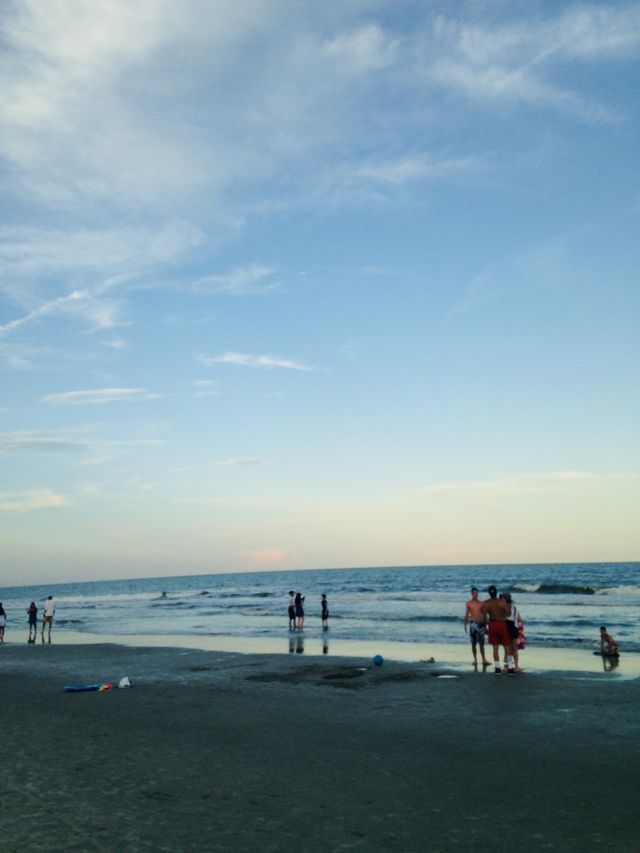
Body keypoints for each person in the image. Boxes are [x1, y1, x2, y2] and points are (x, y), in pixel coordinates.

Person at [481, 585, 514, 674]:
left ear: (489, 593)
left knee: (495, 647)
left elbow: (484, 618)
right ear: (496, 592)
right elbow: (508, 614)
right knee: (507, 645)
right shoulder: (503, 601)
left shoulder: (486, 603)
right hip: (502, 624)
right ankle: (510, 668)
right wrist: (509, 606)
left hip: (492, 624)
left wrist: (485, 628)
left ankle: (497, 668)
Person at [463, 586, 489, 667]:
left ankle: (484, 659)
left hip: (481, 624)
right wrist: (465, 625)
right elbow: (467, 614)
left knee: (482, 643)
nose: (475, 595)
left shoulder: (481, 603)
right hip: (473, 624)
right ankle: (475, 659)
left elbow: (485, 615)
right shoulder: (468, 603)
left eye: (476, 593)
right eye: (474, 593)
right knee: (473, 643)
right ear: (471, 594)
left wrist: (486, 625)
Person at [502, 592, 523, 672]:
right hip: (515, 627)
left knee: (508, 648)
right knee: (515, 648)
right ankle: (516, 666)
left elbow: (505, 616)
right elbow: (520, 618)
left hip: (507, 627)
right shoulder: (515, 607)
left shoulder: (505, 607)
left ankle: (509, 665)